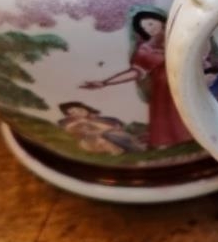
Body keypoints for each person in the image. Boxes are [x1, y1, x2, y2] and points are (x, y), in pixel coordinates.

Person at [80, 9, 191, 149]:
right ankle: (171, 141)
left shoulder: (182, 34)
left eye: (151, 23)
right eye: (144, 27)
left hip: (188, 81)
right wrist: (105, 82)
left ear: (161, 20)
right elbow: (136, 72)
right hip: (163, 89)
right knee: (168, 115)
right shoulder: (147, 49)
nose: (149, 29)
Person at [56, 102, 142, 156]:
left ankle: (135, 150)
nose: (78, 112)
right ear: (70, 116)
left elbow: (112, 128)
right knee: (100, 139)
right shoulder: (72, 124)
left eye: (79, 109)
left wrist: (89, 123)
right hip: (92, 143)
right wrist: (80, 124)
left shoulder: (105, 119)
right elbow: (70, 130)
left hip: (117, 138)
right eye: (73, 112)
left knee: (108, 135)